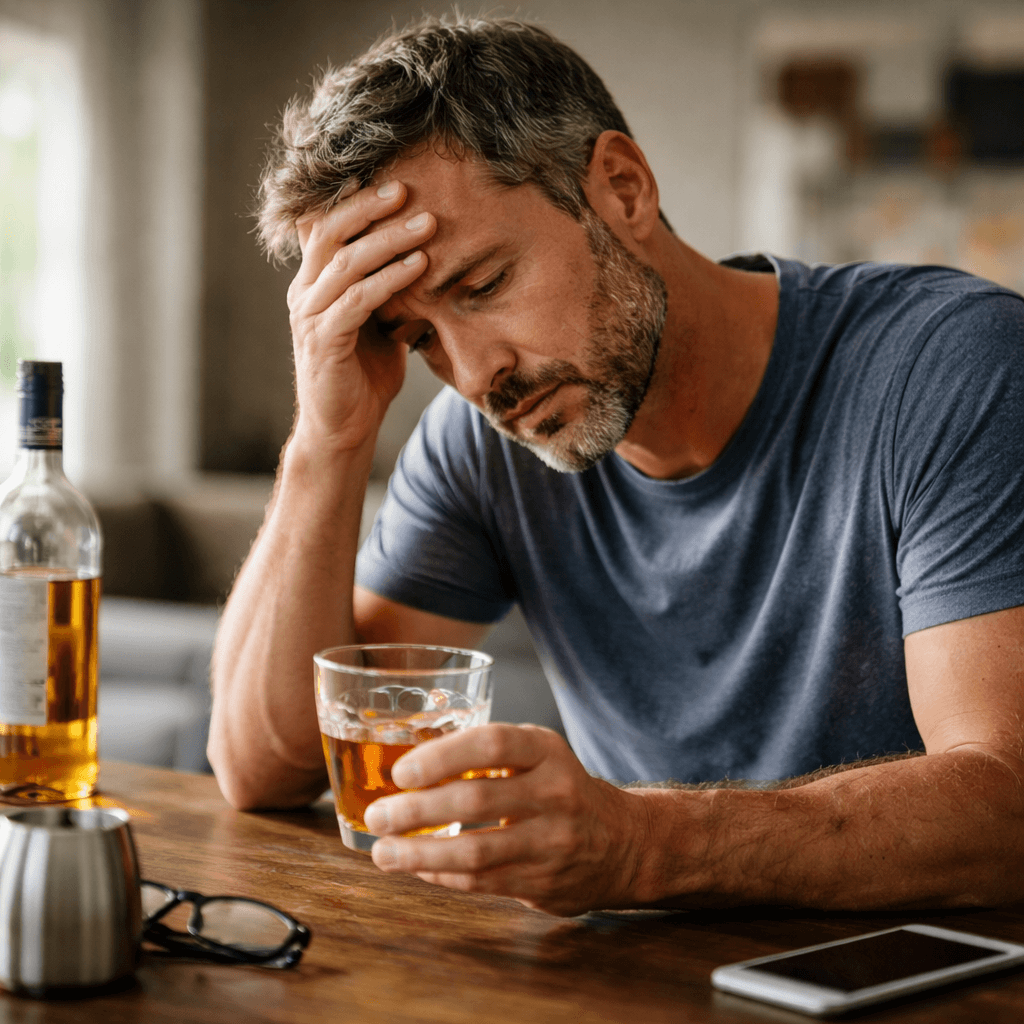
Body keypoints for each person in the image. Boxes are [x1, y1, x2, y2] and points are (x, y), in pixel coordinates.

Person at [208, 15, 1024, 917]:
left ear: (623, 190)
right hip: (645, 985)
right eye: (417, 337)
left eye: (482, 286)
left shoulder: (954, 369)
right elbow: (262, 767)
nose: (477, 376)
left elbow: (1008, 803)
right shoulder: (481, 442)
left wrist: (641, 846)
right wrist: (328, 439)